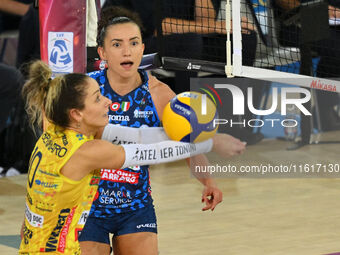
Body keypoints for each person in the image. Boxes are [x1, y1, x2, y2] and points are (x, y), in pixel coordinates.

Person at [19, 60, 241, 254]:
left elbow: (138, 137)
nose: (107, 101)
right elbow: (149, 152)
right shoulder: (86, 152)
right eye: (97, 99)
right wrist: (211, 142)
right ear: (76, 114)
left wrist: (196, 134)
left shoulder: (53, 134)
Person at [79, 6, 246, 255]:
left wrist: (208, 182)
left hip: (135, 206)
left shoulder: (159, 93)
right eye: (117, 45)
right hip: (86, 205)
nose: (127, 51)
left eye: (134, 43)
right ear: (102, 52)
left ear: (142, 48)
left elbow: (188, 139)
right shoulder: (87, 88)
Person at [275, 0, 340, 131]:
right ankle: (325, 109)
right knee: (337, 48)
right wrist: (319, 10)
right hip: (297, 22)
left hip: (334, 24)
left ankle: (325, 109)